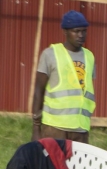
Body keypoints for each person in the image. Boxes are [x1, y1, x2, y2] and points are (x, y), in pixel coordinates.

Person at [32, 10, 96, 143]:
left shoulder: (89, 56)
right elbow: (39, 90)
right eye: (76, 31)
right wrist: (36, 129)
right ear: (65, 32)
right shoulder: (50, 54)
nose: (81, 35)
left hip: (81, 128)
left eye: (84, 31)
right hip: (55, 127)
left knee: (78, 165)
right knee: (52, 164)